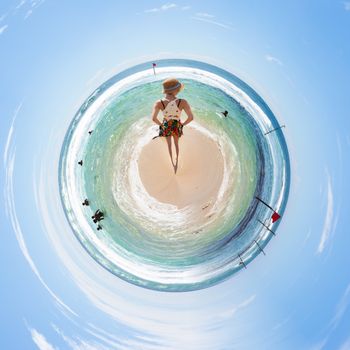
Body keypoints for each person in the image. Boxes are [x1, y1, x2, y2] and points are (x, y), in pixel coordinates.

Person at [151, 78, 194, 174]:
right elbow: (191, 117)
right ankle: (177, 160)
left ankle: (171, 162)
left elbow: (153, 118)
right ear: (176, 90)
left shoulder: (159, 103)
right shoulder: (182, 102)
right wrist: (182, 124)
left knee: (169, 145)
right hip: (176, 125)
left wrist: (162, 125)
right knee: (176, 144)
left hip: (166, 124)